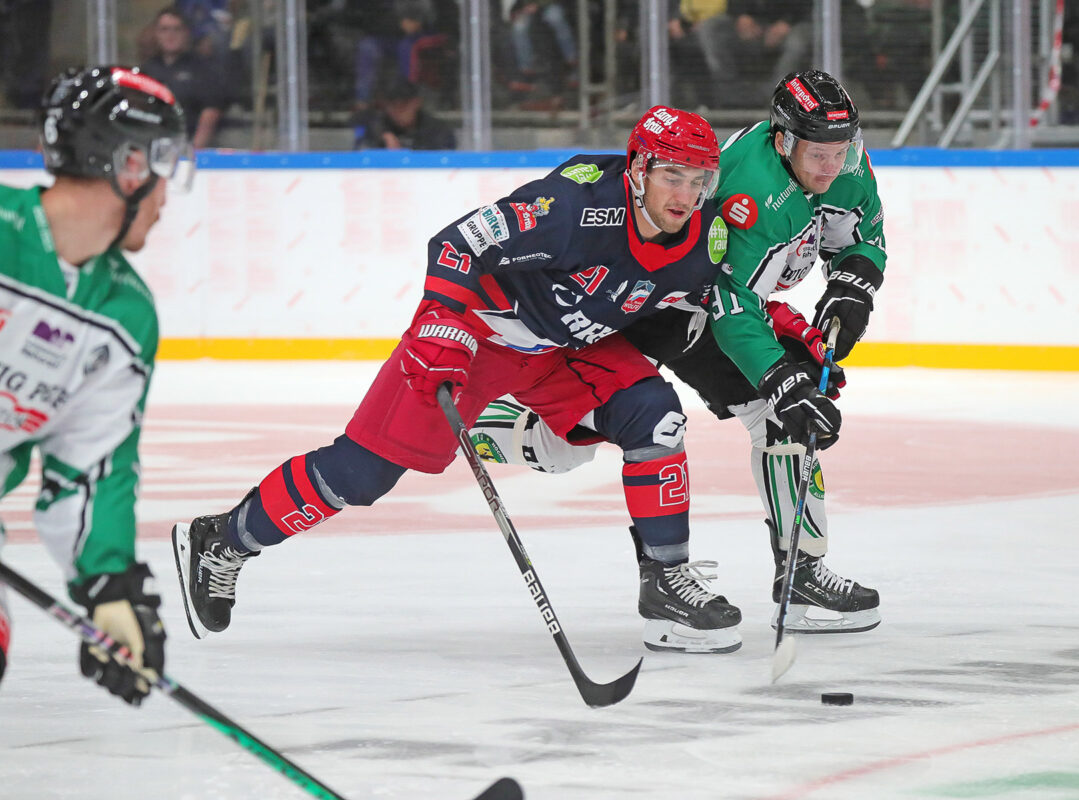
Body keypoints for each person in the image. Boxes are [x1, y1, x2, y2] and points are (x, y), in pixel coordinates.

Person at [173, 106, 751, 654]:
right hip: (479, 338)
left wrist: (787, 356)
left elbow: (729, 305)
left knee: (655, 412)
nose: (688, 194)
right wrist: (442, 323)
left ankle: (667, 579)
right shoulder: (573, 205)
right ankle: (225, 539)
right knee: (363, 473)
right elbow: (457, 244)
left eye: (700, 178)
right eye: (673, 175)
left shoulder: (706, 238)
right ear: (639, 168)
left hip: (564, 349)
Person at [470, 69, 881, 634]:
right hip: (661, 307)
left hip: (700, 299)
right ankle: (479, 426)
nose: (832, 167)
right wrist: (782, 377)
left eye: (843, 150)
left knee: (781, 420)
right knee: (582, 441)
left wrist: (855, 285)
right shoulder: (752, 194)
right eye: (819, 154)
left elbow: (861, 231)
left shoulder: (840, 162)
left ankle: (801, 570)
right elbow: (731, 306)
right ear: (783, 139)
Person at [0, 65, 194, 702]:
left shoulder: (123, 316)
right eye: (163, 167)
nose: (166, 198)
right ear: (129, 163)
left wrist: (109, 586)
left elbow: (93, 470)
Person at [139, 7, 229, 149]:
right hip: (154, 148)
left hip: (189, 148)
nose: (170, 35)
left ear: (186, 33)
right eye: (164, 29)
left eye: (177, 29)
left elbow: (211, 113)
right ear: (156, 34)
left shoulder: (202, 68)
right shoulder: (148, 69)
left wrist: (192, 151)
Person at [353, 73, 456, 151]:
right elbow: (356, 122)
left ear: (416, 103)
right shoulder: (378, 126)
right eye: (393, 105)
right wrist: (381, 138)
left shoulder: (437, 130)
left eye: (403, 105)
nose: (398, 112)